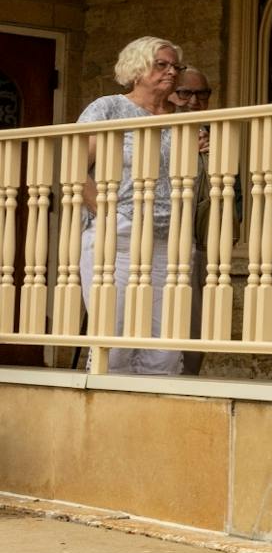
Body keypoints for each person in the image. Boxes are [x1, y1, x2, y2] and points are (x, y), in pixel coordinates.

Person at [77, 37, 186, 376]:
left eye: (175, 67)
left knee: (165, 344)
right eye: (162, 64)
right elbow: (74, 167)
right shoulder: (109, 108)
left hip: (167, 240)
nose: (171, 72)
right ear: (137, 69)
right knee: (116, 335)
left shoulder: (180, 118)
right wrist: (106, 214)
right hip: (119, 236)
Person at [168, 67, 215, 375]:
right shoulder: (154, 129)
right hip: (156, 243)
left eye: (202, 94)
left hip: (198, 246)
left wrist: (215, 157)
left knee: (195, 329)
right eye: (185, 93)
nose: (193, 101)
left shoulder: (214, 135)